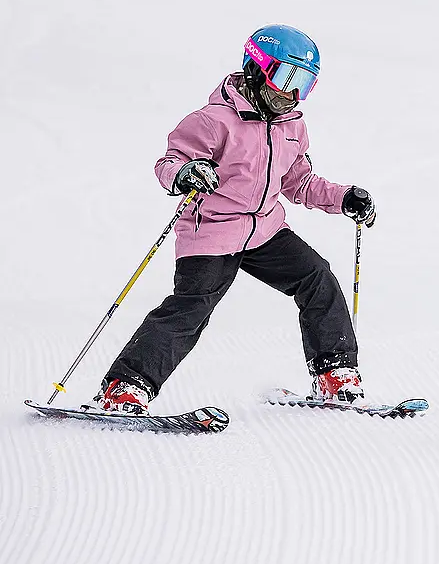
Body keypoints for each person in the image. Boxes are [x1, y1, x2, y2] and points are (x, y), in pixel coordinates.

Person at [89, 24, 376, 416]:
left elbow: (300, 182)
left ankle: (335, 373)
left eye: (304, 83)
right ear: (258, 68)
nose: (292, 93)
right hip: (212, 233)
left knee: (317, 279)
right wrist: (187, 172)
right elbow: (168, 163)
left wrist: (343, 198)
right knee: (191, 308)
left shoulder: (292, 125)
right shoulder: (213, 120)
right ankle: (126, 386)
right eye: (286, 77)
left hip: (266, 232)